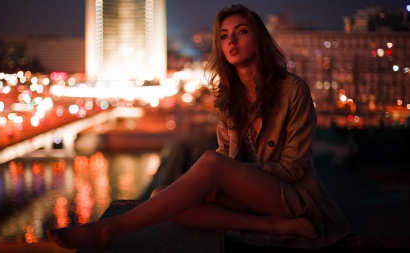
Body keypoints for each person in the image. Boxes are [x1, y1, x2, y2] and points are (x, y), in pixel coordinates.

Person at [47, 4, 353, 249]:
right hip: (253, 199)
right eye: (223, 36)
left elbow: (294, 168)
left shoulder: (293, 90)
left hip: (291, 195)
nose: (231, 41)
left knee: (206, 165)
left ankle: (107, 230)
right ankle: (273, 226)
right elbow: (227, 156)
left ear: (258, 38)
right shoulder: (228, 96)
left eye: (241, 32)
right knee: (160, 198)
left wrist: (231, 178)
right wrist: (227, 179)